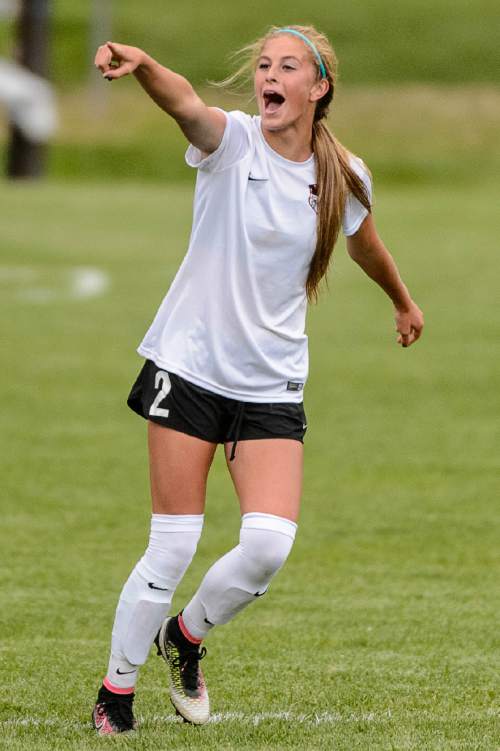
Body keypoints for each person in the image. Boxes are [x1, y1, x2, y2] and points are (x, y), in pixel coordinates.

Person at [92, 24, 424, 735]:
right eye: (264, 65)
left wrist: (401, 298)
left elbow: (365, 242)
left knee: (268, 546)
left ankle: (185, 636)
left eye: (287, 66)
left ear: (318, 87)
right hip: (190, 368)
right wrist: (147, 65)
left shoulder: (343, 174)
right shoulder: (234, 141)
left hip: (271, 385)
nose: (269, 76)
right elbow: (185, 104)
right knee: (174, 541)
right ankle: (115, 693)